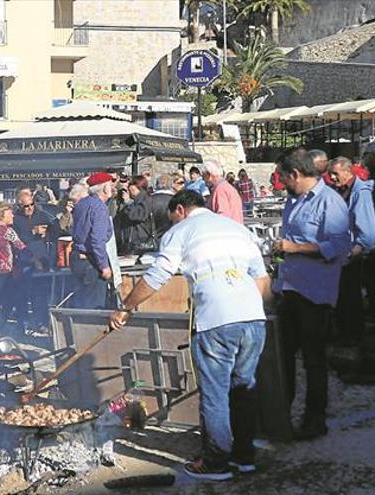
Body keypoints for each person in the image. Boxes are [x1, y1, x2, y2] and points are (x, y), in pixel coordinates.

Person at [110, 190, 271, 481]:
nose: (172, 223)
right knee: (244, 388)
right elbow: (261, 277)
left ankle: (215, 462)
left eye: (172, 218)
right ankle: (244, 456)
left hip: (215, 321)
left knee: (214, 393)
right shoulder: (236, 228)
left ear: (180, 209)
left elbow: (158, 275)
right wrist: (246, 308)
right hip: (252, 318)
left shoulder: (181, 231)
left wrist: (126, 307)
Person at [273, 151, 350, 441]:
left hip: (314, 295)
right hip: (290, 289)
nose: (280, 183)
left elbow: (341, 246)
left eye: (282, 177)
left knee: (314, 361)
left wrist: (297, 248)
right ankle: (280, 416)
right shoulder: (293, 201)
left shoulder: (330, 202)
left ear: (295, 174)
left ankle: (315, 419)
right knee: (283, 359)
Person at [328, 157, 375, 347]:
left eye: (336, 173)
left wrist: (353, 252)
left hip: (352, 255)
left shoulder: (360, 193)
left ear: (348, 172)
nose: (332, 177)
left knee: (350, 298)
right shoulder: (339, 191)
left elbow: (367, 232)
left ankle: (353, 338)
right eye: (331, 173)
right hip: (341, 253)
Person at [71, 175, 121, 309]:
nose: (113, 188)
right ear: (105, 188)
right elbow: (97, 240)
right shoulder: (99, 207)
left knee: (81, 305)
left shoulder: (82, 203)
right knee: (95, 308)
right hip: (91, 262)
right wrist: (104, 266)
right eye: (111, 185)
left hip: (78, 259)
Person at [12, 186, 58, 334]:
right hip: (25, 260)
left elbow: (55, 229)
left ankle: (41, 322)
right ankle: (23, 324)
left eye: (32, 205)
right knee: (22, 295)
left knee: (41, 294)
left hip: (42, 259)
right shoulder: (16, 219)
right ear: (20, 205)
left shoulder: (40, 214)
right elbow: (17, 240)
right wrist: (33, 231)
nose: (30, 208)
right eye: (26, 206)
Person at [0, 202, 27, 337]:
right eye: (10, 213)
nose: (12, 215)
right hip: (5, 272)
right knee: (9, 300)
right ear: (2, 215)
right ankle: (2, 328)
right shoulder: (8, 231)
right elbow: (20, 246)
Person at [117, 176, 155, 254]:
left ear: (138, 187)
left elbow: (137, 215)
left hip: (140, 240)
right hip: (133, 240)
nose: (129, 191)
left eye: (131, 189)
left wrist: (128, 203)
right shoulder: (137, 200)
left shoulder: (145, 200)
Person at [203, 160, 244, 224]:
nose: (203, 179)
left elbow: (223, 217)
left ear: (209, 175)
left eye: (203, 176)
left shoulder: (220, 190)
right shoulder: (227, 187)